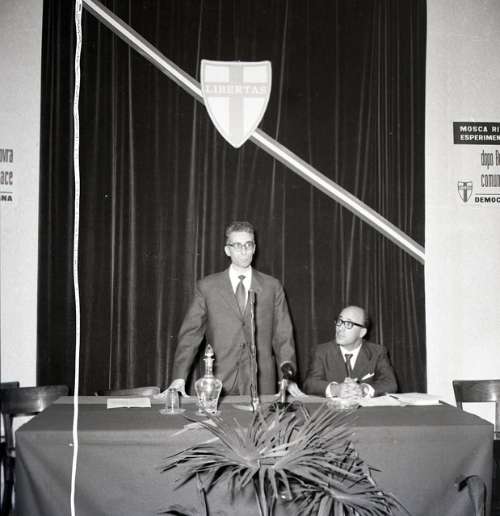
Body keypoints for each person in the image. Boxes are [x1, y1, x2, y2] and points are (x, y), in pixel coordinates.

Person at [167, 221, 297, 396]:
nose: (244, 251)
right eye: (237, 245)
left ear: (254, 248)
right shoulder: (207, 287)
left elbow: (283, 336)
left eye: (248, 245)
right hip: (218, 382)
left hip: (261, 383)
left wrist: (288, 377)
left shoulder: (272, 287)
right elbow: (190, 335)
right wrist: (179, 377)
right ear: (227, 250)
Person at [304, 305, 397, 398]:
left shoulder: (377, 352)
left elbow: (391, 383)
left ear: (362, 332)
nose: (340, 328)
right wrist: (335, 389)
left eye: (348, 324)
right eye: (339, 321)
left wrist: (363, 389)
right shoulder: (321, 352)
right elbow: (309, 384)